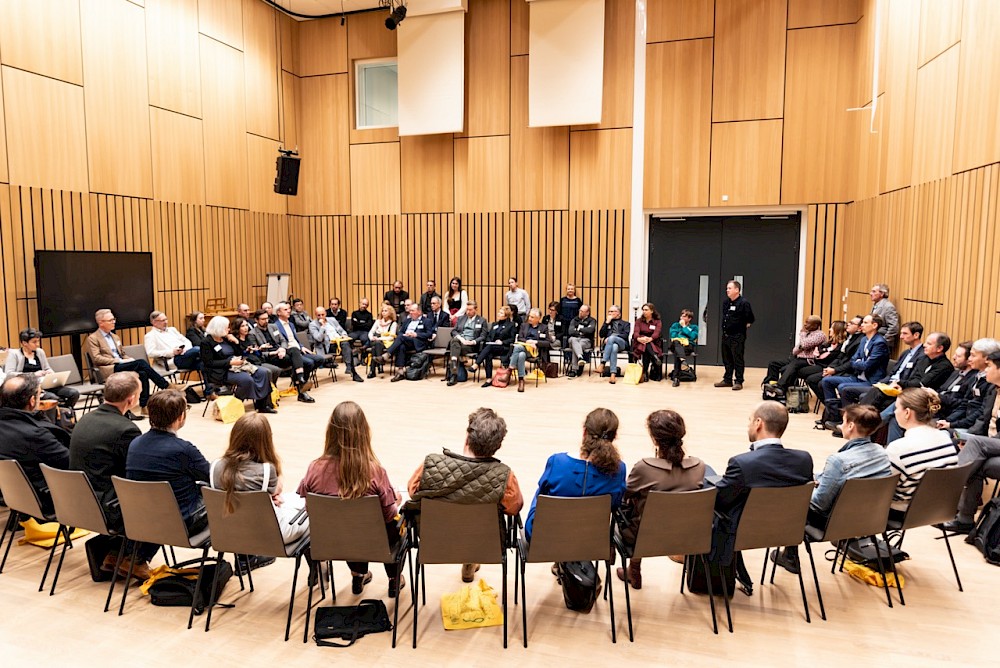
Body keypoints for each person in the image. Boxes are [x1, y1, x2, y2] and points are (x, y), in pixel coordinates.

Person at [297, 401, 403, 595]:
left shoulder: (314, 469)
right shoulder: (375, 471)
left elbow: (312, 510)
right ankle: (394, 579)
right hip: (376, 541)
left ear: (331, 432)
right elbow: (389, 516)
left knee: (346, 524)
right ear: (364, 432)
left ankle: (357, 574)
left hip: (336, 541)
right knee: (391, 526)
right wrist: (395, 500)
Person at [771, 404, 890, 574]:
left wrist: (805, 488)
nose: (840, 425)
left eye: (843, 421)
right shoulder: (882, 453)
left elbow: (818, 505)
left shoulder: (839, 461)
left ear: (851, 426)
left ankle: (790, 556)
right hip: (871, 519)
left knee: (794, 498)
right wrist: (819, 479)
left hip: (834, 524)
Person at [408, 407, 523, 582]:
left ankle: (468, 560)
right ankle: (470, 559)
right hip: (484, 545)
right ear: (497, 446)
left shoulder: (431, 465)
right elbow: (514, 508)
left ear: (467, 437)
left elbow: (412, 490)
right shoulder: (505, 476)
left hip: (438, 541)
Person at [713, 402, 812, 595]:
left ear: (759, 423)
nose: (748, 425)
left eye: (750, 420)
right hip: (788, 531)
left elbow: (719, 500)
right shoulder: (804, 460)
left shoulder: (742, 463)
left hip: (743, 534)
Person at [68, 372, 156, 579]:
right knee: (163, 501)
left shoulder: (85, 419)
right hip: (106, 508)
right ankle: (135, 559)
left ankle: (116, 555)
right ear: (131, 400)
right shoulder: (125, 429)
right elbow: (137, 473)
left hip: (75, 502)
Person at [616, 410, 706, 589]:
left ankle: (634, 568)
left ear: (654, 440)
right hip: (685, 537)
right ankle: (635, 569)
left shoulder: (644, 468)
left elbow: (624, 495)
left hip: (642, 539)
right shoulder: (699, 467)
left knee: (633, 506)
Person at [211, 413, 308, 574]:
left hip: (229, 533)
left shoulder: (215, 467)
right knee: (311, 509)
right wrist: (270, 495)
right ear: (265, 440)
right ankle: (321, 574)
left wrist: (267, 498)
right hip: (267, 535)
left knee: (291, 501)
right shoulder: (266, 471)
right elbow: (277, 488)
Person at [525, 408, 627, 539]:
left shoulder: (557, 462)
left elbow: (543, 494)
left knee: (541, 493)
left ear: (584, 432)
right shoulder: (619, 469)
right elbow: (616, 503)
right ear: (614, 436)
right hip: (593, 541)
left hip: (545, 538)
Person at [126, 390, 211, 536]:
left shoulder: (135, 444)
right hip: (182, 522)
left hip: (144, 518)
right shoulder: (183, 450)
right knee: (222, 494)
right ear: (181, 416)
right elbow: (211, 476)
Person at [940, 350, 1000, 533]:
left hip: (992, 441)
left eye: (989, 366)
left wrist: (979, 440)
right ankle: (964, 520)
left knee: (975, 444)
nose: (985, 370)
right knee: (976, 460)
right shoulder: (994, 391)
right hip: (992, 441)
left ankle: (942, 495)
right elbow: (985, 420)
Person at [86, 309, 184, 419]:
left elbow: (122, 354)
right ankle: (166, 385)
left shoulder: (115, 337)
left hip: (121, 365)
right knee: (141, 363)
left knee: (143, 373)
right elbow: (97, 358)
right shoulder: (93, 338)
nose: (114, 322)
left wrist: (128, 359)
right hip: (109, 368)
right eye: (110, 320)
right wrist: (119, 361)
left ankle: (144, 406)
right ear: (101, 322)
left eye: (114, 319)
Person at [0, 373, 70, 516]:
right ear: (32, 401)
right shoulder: (36, 434)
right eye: (40, 394)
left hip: (13, 496)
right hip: (46, 501)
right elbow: (70, 463)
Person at [885, 388, 958, 520]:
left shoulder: (898, 448)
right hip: (938, 508)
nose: (894, 412)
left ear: (907, 413)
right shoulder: (945, 438)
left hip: (904, 511)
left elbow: (884, 488)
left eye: (896, 408)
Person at [817, 314, 889, 423]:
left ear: (874, 325)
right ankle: (834, 416)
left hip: (870, 381)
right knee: (826, 381)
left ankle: (848, 420)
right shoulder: (864, 340)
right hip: (858, 377)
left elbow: (867, 366)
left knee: (843, 387)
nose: (862, 325)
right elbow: (853, 360)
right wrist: (858, 362)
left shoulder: (879, 343)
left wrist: (858, 362)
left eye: (865, 323)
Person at [201, 315, 277, 413]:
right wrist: (229, 362)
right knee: (247, 380)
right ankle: (235, 406)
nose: (229, 329)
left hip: (238, 366)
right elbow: (209, 363)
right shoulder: (206, 342)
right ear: (219, 328)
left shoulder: (226, 339)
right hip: (221, 371)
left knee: (263, 372)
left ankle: (263, 405)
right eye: (226, 327)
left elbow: (240, 353)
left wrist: (236, 342)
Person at [248, 308, 316, 402]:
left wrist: (282, 349)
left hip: (281, 352)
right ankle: (301, 385)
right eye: (263, 319)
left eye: (267, 318)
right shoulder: (252, 334)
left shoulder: (273, 327)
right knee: (302, 362)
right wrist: (273, 353)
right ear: (256, 320)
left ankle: (300, 379)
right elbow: (256, 353)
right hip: (270, 356)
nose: (266, 321)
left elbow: (283, 340)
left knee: (295, 350)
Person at [4, 327, 79, 409]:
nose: (37, 344)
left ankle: (64, 412)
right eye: (34, 342)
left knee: (74, 393)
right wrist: (34, 374)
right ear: (24, 343)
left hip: (46, 384)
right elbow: (9, 374)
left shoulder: (40, 352)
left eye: (38, 341)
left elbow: (47, 368)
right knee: (52, 398)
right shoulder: (14, 354)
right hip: (30, 388)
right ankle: (57, 412)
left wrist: (51, 373)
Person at [762, 315, 825, 390]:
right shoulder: (807, 334)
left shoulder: (820, 335)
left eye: (807, 323)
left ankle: (779, 386)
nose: (805, 324)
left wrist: (802, 334)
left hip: (809, 360)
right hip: (798, 358)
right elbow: (794, 351)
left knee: (789, 367)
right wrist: (802, 345)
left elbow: (804, 345)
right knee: (773, 363)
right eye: (805, 322)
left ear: (815, 325)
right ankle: (770, 385)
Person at [715, 280, 755, 391]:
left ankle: (738, 381)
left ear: (737, 290)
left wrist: (743, 325)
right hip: (726, 335)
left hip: (737, 336)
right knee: (726, 358)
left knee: (737, 358)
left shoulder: (744, 303)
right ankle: (727, 379)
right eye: (727, 288)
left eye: (730, 288)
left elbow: (750, 318)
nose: (727, 290)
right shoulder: (726, 303)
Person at [309, 307, 363, 382]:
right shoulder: (312, 325)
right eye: (319, 315)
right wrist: (322, 327)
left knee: (346, 344)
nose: (321, 317)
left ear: (326, 313)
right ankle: (352, 370)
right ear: (315, 315)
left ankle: (350, 368)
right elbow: (319, 338)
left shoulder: (332, 320)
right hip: (328, 346)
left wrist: (344, 335)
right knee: (347, 348)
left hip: (340, 342)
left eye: (322, 314)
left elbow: (341, 330)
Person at [505, 308, 551, 393]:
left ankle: (509, 370)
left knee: (517, 347)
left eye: (532, 317)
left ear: (538, 318)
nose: (529, 318)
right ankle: (521, 380)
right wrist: (527, 342)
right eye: (529, 316)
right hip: (524, 348)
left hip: (534, 352)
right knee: (521, 355)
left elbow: (547, 343)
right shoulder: (524, 325)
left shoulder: (543, 327)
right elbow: (520, 338)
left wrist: (535, 342)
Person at [144, 310, 202, 376]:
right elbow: (151, 353)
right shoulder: (150, 335)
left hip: (185, 355)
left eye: (166, 319)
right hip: (172, 360)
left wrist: (186, 349)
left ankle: (208, 383)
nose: (166, 322)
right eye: (163, 320)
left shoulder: (172, 330)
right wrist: (171, 352)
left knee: (204, 364)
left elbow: (186, 341)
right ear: (154, 322)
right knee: (197, 349)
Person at [388, 304, 434, 381]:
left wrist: (416, 334)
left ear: (419, 312)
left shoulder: (426, 321)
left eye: (413, 311)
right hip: (405, 340)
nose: (410, 312)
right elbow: (400, 332)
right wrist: (405, 334)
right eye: (410, 311)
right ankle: (400, 372)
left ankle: (388, 353)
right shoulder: (407, 321)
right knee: (401, 346)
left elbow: (429, 334)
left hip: (417, 342)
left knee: (401, 339)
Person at [232, 317, 282, 387]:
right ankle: (267, 389)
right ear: (237, 328)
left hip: (257, 360)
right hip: (248, 363)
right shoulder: (235, 341)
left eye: (246, 325)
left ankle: (272, 386)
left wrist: (259, 349)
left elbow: (258, 353)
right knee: (268, 371)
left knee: (277, 370)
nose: (246, 328)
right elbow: (239, 355)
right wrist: (247, 351)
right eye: (242, 326)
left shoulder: (249, 338)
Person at [446, 300, 487, 386]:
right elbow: (453, 331)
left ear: (476, 309)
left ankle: (453, 365)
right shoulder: (461, 318)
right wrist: (461, 339)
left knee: (454, 345)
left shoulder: (482, 320)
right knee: (455, 341)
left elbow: (483, 336)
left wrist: (473, 342)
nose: (468, 312)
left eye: (470, 310)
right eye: (467, 309)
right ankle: (454, 373)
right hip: (460, 341)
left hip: (470, 345)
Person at [475, 306, 517, 386]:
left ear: (506, 316)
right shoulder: (495, 324)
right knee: (488, 354)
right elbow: (489, 336)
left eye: (501, 313)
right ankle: (489, 379)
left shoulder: (511, 325)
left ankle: (476, 364)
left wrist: (502, 342)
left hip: (504, 347)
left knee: (489, 348)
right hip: (493, 347)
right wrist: (490, 341)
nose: (498, 314)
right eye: (499, 312)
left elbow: (512, 339)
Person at [596, 305, 630, 384]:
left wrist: (612, 337)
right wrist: (606, 323)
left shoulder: (626, 324)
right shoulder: (607, 323)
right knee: (614, 347)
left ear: (618, 313)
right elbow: (601, 335)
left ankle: (603, 363)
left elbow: (625, 335)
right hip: (611, 345)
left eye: (612, 311)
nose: (609, 313)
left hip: (622, 343)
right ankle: (613, 375)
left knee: (611, 338)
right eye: (609, 311)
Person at [631, 303, 663, 383]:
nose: (644, 312)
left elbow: (657, 333)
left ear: (651, 311)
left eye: (646, 310)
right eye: (643, 310)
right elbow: (636, 332)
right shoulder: (639, 321)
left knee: (646, 347)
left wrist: (650, 338)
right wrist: (639, 338)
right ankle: (655, 357)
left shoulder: (657, 321)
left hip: (653, 342)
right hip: (640, 341)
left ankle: (645, 372)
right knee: (645, 345)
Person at [668, 309, 699, 387]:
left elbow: (693, 336)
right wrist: (683, 336)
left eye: (684, 316)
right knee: (676, 342)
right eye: (681, 316)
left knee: (677, 352)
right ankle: (682, 359)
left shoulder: (694, 327)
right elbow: (673, 335)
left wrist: (684, 327)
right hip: (675, 344)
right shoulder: (675, 325)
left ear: (689, 318)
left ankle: (676, 378)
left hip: (687, 346)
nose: (682, 318)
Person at [565, 305, 597, 378]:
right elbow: (570, 331)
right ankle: (580, 358)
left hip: (586, 340)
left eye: (582, 311)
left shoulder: (592, 320)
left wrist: (578, 329)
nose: (580, 312)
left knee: (576, 346)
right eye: (580, 310)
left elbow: (590, 330)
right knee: (573, 340)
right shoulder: (574, 320)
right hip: (574, 339)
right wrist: (583, 331)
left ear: (587, 313)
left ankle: (574, 369)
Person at [368, 304, 398, 378]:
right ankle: (380, 364)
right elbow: (371, 332)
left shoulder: (393, 323)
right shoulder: (378, 322)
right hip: (376, 341)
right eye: (382, 311)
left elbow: (391, 337)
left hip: (387, 343)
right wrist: (372, 337)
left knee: (374, 348)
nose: (383, 312)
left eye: (385, 311)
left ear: (390, 313)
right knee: (377, 344)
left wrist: (379, 338)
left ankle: (372, 370)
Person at [869, 283, 900, 349]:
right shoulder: (876, 304)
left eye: (874, 291)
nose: (870, 293)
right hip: (873, 340)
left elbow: (894, 328)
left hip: (881, 344)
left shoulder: (888, 307)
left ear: (882, 294)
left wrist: (883, 340)